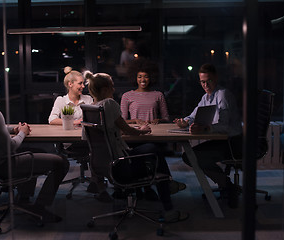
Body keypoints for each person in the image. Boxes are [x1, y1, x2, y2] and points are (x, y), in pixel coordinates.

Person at [84, 70, 188, 222]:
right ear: (105, 89)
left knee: (151, 149)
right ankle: (169, 206)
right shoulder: (109, 103)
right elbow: (128, 129)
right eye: (112, 86)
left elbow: (94, 134)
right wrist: (142, 131)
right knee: (154, 154)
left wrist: (115, 132)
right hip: (120, 165)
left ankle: (168, 185)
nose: (114, 89)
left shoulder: (89, 109)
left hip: (103, 165)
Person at [0, 67, 69, 222]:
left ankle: (23, 200)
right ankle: (40, 208)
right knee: (61, 163)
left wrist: (13, 129)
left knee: (33, 150)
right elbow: (11, 146)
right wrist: (22, 132)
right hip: (3, 165)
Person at [174, 63, 242, 208]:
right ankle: (227, 184)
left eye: (209, 80)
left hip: (233, 142)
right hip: (222, 141)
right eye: (202, 82)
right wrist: (184, 122)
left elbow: (225, 126)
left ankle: (228, 186)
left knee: (192, 156)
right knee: (190, 156)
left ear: (216, 78)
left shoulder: (222, 95)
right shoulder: (207, 96)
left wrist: (204, 129)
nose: (206, 85)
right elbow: (193, 115)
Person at [121, 58, 169, 125]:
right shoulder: (127, 96)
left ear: (151, 77)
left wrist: (159, 120)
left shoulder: (158, 95)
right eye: (140, 77)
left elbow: (166, 118)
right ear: (135, 78)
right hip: (135, 132)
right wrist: (135, 121)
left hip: (155, 131)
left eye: (146, 77)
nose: (143, 80)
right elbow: (122, 121)